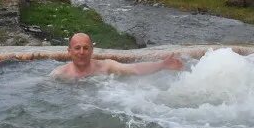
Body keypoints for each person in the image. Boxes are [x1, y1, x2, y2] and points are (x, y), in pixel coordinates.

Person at [51, 32, 184, 80]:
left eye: (86, 48)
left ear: (92, 50)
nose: (81, 52)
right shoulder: (60, 73)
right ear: (69, 51)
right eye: (77, 48)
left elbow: (134, 69)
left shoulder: (106, 66)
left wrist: (161, 65)